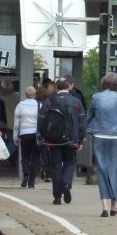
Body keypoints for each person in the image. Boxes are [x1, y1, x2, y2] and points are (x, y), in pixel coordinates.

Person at [86, 72, 117, 217]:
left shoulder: (96, 97)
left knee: (102, 169)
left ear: (103, 83)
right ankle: (114, 205)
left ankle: (104, 207)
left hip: (99, 136)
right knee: (116, 170)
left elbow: (89, 116)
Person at [37, 76, 86, 205]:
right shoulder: (76, 101)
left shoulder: (48, 101)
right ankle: (66, 183)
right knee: (70, 162)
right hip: (71, 139)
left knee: (55, 166)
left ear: (56, 87)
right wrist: (80, 140)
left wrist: (43, 137)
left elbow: (41, 121)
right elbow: (82, 122)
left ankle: (57, 197)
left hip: (53, 140)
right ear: (69, 87)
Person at [13, 85, 39, 188]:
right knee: (35, 157)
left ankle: (26, 174)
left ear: (25, 95)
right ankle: (32, 182)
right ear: (35, 95)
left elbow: (16, 123)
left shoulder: (20, 105)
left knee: (25, 156)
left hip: (24, 133)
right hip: (36, 134)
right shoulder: (38, 105)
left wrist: (15, 136)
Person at [0, 80, 20, 168]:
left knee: (0, 141)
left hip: (1, 122)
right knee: (13, 142)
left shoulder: (0, 96)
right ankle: (7, 157)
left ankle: (2, 157)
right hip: (12, 123)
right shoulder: (16, 96)